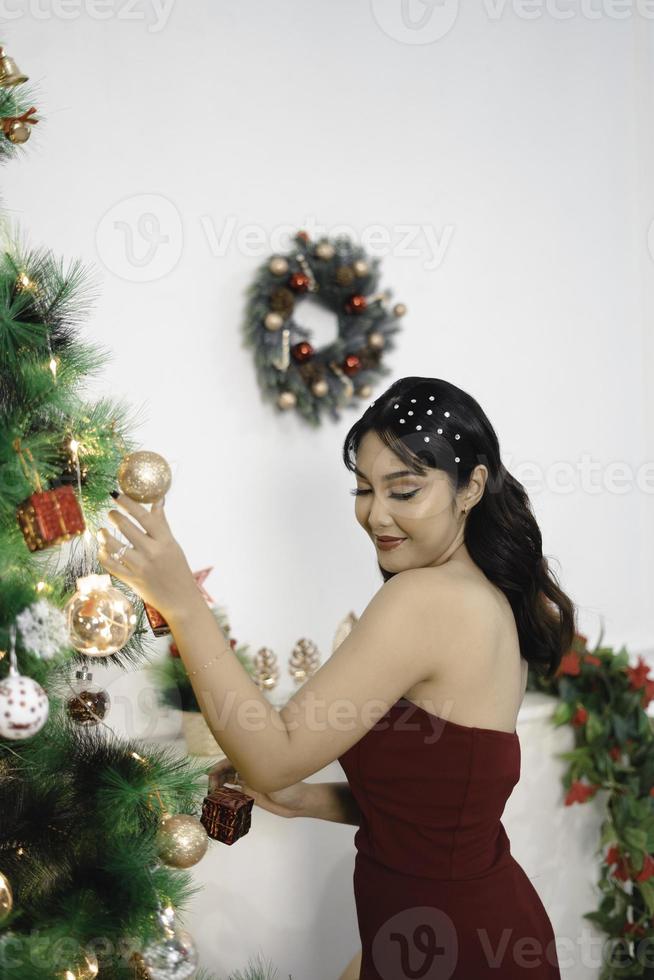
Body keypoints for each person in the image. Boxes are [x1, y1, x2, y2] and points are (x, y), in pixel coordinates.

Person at [207, 376, 575, 980]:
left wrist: (178, 600)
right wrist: (309, 801)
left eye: (403, 490)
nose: (375, 514)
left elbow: (271, 758)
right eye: (362, 489)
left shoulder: (424, 598)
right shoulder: (479, 594)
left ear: (471, 488)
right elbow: (441, 813)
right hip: (446, 937)